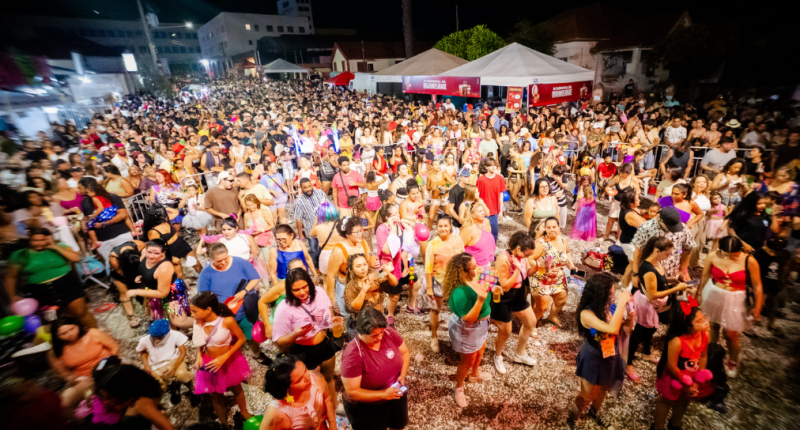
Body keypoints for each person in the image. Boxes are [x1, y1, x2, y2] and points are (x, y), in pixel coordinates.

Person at [568, 273, 633, 429]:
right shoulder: (587, 314)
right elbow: (611, 328)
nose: (615, 295)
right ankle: (573, 416)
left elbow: (623, 330)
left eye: (614, 292)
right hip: (594, 356)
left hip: (611, 354)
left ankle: (595, 412)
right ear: (600, 294)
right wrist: (623, 302)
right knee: (587, 394)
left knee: (604, 387)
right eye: (611, 293)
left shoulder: (611, 308)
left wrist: (631, 317)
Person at [272, 267, 339, 412]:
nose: (302, 292)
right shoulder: (284, 309)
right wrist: (294, 335)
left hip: (325, 344)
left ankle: (334, 407)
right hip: (302, 352)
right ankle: (315, 413)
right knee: (310, 387)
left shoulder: (319, 292)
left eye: (304, 287)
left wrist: (334, 325)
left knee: (328, 378)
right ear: (289, 290)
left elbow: (329, 309)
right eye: (296, 290)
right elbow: (279, 341)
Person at [697, 236, 763, 377]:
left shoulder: (749, 260)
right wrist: (699, 293)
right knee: (712, 327)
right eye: (727, 255)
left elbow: (757, 285)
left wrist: (757, 307)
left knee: (730, 334)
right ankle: (711, 355)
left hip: (736, 299)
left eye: (735, 255)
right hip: (715, 293)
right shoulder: (713, 256)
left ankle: (733, 360)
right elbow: (705, 276)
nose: (731, 258)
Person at [626, 237, 689, 382]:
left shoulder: (656, 262)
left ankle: (646, 352)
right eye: (667, 254)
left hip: (655, 304)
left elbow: (660, 281)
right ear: (657, 251)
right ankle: (627, 363)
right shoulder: (647, 269)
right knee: (639, 334)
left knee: (651, 328)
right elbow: (652, 294)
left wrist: (673, 280)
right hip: (648, 304)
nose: (669, 257)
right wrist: (677, 288)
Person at [5, 227, 95, 328]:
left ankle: (98, 336)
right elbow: (11, 277)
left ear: (48, 238)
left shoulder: (60, 247)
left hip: (67, 285)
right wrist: (12, 296)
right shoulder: (21, 255)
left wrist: (54, 246)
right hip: (42, 292)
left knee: (81, 313)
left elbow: (76, 258)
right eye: (35, 240)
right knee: (53, 321)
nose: (39, 243)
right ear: (30, 239)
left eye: (42, 240)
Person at [197, 242, 268, 362]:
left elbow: (255, 278)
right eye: (219, 261)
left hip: (244, 308)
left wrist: (244, 291)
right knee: (225, 337)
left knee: (250, 334)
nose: (223, 263)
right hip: (222, 313)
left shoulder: (240, 262)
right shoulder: (206, 273)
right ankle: (233, 359)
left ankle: (257, 354)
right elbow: (203, 296)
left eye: (225, 259)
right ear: (211, 259)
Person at [341, 307, 410, 429]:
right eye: (374, 335)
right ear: (361, 332)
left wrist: (402, 375)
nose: (379, 338)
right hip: (368, 408)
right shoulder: (353, 354)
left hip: (395, 394)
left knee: (398, 425)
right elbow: (352, 392)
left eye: (381, 333)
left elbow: (405, 352)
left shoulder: (387, 332)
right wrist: (383, 394)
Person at [190, 291, 253, 426]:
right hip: (210, 362)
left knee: (236, 388)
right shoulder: (198, 322)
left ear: (208, 310)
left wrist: (224, 357)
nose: (192, 315)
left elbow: (241, 339)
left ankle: (244, 412)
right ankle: (223, 424)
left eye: (194, 311)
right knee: (216, 394)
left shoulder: (227, 321)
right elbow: (198, 341)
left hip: (229, 360)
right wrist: (198, 355)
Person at [652, 300, 712, 430]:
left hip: (691, 377)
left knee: (685, 400)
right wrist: (685, 383)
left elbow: (704, 356)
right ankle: (658, 426)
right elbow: (671, 365)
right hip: (674, 377)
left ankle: (675, 424)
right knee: (667, 401)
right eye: (700, 321)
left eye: (704, 318)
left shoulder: (704, 335)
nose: (706, 322)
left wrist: (697, 380)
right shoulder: (677, 341)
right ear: (688, 325)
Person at [444, 253, 492, 407]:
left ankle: (474, 375)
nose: (477, 269)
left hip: (482, 325)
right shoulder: (459, 292)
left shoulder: (474, 279)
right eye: (474, 267)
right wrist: (480, 300)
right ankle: (458, 387)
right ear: (463, 272)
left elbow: (486, 290)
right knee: (467, 361)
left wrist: (495, 288)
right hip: (469, 328)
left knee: (481, 349)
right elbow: (468, 318)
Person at [80, 356, 175, 430]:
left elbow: (169, 428)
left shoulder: (140, 404)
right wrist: (89, 395)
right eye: (103, 397)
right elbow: (90, 389)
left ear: (123, 393)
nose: (106, 401)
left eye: (109, 398)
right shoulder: (105, 387)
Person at [490, 232, 539, 374]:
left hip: (519, 294)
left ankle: (520, 354)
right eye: (527, 254)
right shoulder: (503, 258)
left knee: (531, 322)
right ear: (518, 248)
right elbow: (505, 286)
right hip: (504, 296)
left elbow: (527, 273)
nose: (528, 257)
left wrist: (538, 267)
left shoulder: (522, 258)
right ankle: (498, 355)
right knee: (506, 331)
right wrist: (517, 269)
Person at [49, 316, 119, 408]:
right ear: (57, 336)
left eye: (72, 329)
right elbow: (65, 373)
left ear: (77, 325)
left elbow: (114, 347)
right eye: (63, 333)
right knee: (74, 396)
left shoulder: (93, 333)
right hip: (85, 379)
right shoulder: (57, 351)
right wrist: (73, 378)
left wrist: (112, 362)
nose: (70, 334)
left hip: (107, 368)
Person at [262, 354, 337, 430]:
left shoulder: (315, 378)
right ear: (287, 388)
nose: (308, 377)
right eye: (299, 380)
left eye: (305, 370)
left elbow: (327, 399)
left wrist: (332, 423)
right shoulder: (277, 414)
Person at [424, 214, 466, 352]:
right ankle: (434, 337)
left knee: (459, 310)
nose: (443, 228)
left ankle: (458, 337)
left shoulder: (458, 240)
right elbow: (428, 268)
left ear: (450, 227)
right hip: (439, 281)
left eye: (445, 226)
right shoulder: (432, 244)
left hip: (456, 281)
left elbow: (463, 259)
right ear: (436, 228)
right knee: (436, 310)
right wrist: (429, 288)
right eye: (440, 226)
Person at [136, 319, 197, 406]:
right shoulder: (145, 340)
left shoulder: (175, 335)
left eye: (160, 337)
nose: (156, 340)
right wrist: (146, 365)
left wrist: (173, 368)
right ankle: (172, 390)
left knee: (183, 375)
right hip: (156, 365)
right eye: (154, 337)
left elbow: (182, 352)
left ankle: (192, 391)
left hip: (173, 360)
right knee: (156, 385)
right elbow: (142, 351)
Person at [343, 253, 397, 338]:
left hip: (378, 319)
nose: (363, 268)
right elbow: (354, 308)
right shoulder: (351, 286)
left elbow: (394, 283)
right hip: (361, 325)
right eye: (358, 266)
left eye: (365, 264)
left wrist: (388, 274)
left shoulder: (375, 276)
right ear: (351, 269)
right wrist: (363, 291)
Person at [200, 216, 268, 280]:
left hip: (248, 267)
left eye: (229, 229)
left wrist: (253, 255)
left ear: (236, 228)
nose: (226, 232)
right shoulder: (221, 241)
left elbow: (255, 251)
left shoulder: (246, 237)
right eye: (224, 230)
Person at [144, 206, 203, 276]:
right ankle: (183, 286)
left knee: (197, 264)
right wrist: (169, 257)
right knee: (179, 275)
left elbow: (176, 212)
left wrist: (163, 208)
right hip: (171, 250)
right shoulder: (152, 231)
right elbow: (157, 247)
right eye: (163, 213)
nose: (165, 215)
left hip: (181, 244)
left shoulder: (164, 220)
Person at [752, 237, 791, 338]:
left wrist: (785, 277)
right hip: (762, 282)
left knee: (773, 307)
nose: (774, 254)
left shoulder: (784, 254)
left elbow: (786, 265)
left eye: (777, 252)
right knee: (758, 304)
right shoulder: (759, 254)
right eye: (772, 251)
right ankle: (754, 324)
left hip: (776, 284)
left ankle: (771, 325)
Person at [294, 178, 329, 266]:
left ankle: (326, 266)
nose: (308, 189)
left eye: (310, 186)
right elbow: (298, 219)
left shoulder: (320, 193)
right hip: (310, 230)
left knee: (326, 248)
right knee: (314, 251)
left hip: (324, 227)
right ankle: (316, 268)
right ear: (301, 188)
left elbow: (328, 207)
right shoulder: (299, 202)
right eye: (305, 187)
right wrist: (300, 235)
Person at [602, 163, 640, 242]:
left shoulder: (633, 179)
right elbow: (608, 186)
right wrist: (609, 191)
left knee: (621, 222)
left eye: (625, 174)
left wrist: (633, 200)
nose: (624, 175)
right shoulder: (617, 178)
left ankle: (619, 239)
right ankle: (606, 236)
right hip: (616, 201)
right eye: (622, 173)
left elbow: (638, 191)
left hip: (626, 204)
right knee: (610, 220)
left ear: (629, 173)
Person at [269, 223, 314, 288]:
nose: (281, 242)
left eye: (284, 239)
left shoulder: (299, 244)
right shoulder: (274, 251)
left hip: (304, 278)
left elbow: (308, 259)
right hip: (285, 282)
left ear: (291, 235)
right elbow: (273, 273)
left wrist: (314, 274)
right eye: (278, 239)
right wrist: (277, 288)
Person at [475, 158, 505, 241]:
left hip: (494, 211)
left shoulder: (499, 178)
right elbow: (477, 196)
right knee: (482, 233)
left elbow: (501, 194)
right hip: (483, 211)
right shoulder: (481, 180)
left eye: (494, 165)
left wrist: (501, 210)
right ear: (486, 167)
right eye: (491, 165)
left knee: (494, 233)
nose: (493, 167)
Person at [459, 201, 496, 268]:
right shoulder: (468, 229)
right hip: (471, 267)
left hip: (486, 264)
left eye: (483, 210)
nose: (483, 213)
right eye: (480, 211)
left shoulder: (486, 222)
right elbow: (458, 248)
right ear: (472, 215)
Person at [310, 202, 342, 277]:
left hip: (326, 254)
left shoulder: (318, 228)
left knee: (326, 279)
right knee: (341, 278)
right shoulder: (340, 225)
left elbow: (311, 234)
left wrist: (315, 222)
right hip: (339, 252)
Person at [570, 176, 597, 241]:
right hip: (586, 208)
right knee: (584, 222)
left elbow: (593, 196)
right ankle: (584, 234)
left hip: (586, 209)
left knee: (585, 222)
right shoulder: (580, 187)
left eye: (587, 182)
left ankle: (585, 234)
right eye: (584, 182)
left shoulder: (590, 187)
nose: (585, 183)